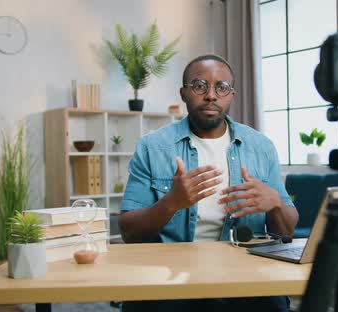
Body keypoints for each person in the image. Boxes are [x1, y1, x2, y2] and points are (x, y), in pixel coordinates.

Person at [119, 54, 299, 312]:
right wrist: (171, 203)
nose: (211, 95)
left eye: (221, 87)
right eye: (199, 86)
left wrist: (274, 205)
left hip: (245, 273)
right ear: (184, 93)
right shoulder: (152, 147)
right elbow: (128, 232)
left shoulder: (261, 147)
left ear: (232, 95)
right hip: (172, 275)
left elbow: (286, 233)